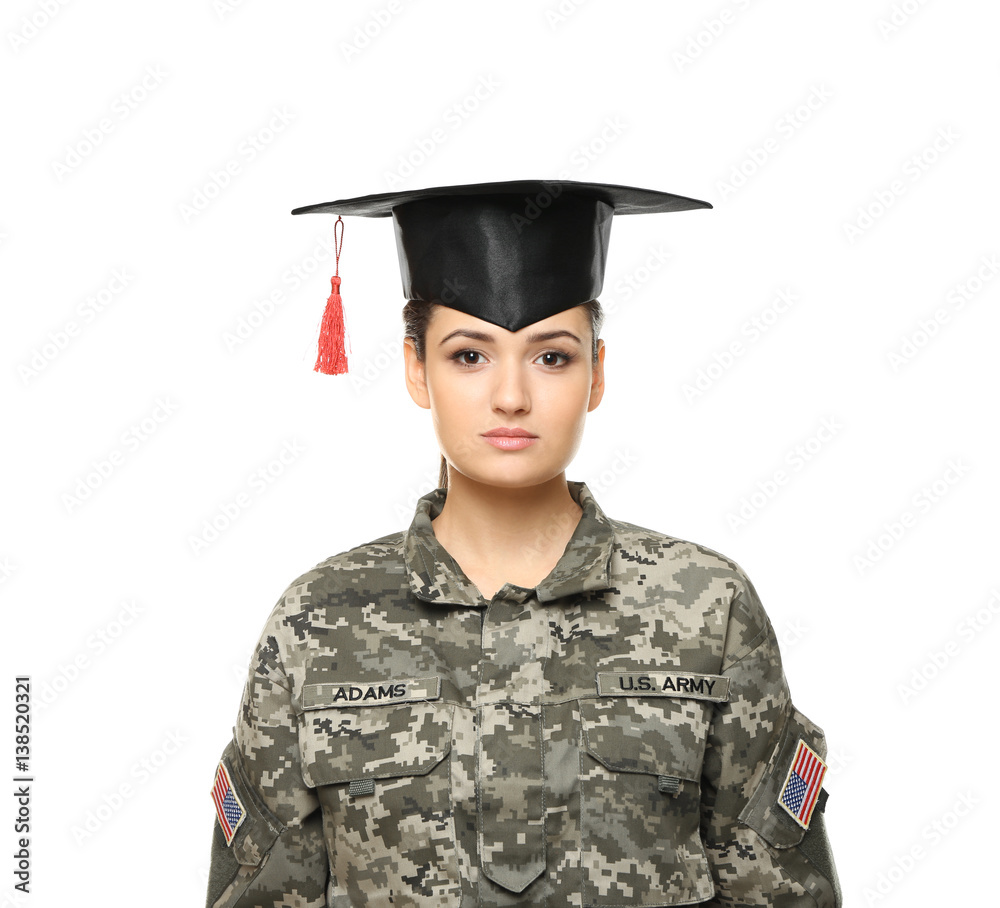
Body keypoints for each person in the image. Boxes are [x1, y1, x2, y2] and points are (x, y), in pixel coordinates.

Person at [205, 179, 843, 907]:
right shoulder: (316, 620)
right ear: (417, 368)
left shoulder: (706, 606)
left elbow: (783, 893)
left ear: (598, 371)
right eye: (469, 356)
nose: (511, 396)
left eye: (552, 357)